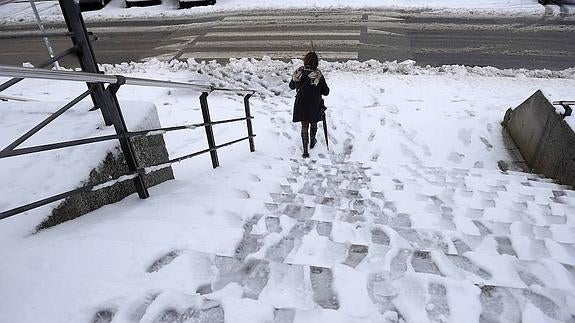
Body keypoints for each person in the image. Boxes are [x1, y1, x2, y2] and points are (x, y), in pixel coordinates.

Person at [289, 51, 330, 158]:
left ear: (305, 60)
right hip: (314, 104)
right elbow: (326, 92)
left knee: (304, 125)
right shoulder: (318, 74)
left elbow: (291, 86)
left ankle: (305, 151)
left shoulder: (299, 72)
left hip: (301, 102)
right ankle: (312, 140)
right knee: (313, 122)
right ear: (316, 62)